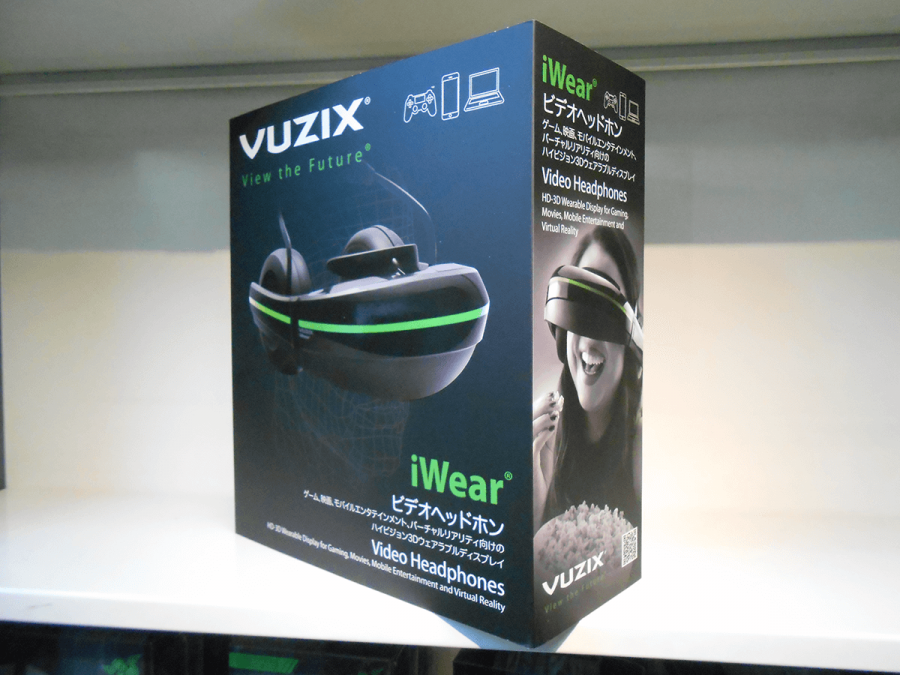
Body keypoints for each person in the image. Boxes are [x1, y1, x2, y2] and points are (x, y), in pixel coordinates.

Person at [533, 226, 643, 534]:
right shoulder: (543, 438)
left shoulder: (643, 442)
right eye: (580, 307)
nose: (590, 337)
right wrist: (534, 507)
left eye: (605, 312)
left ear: (631, 335)